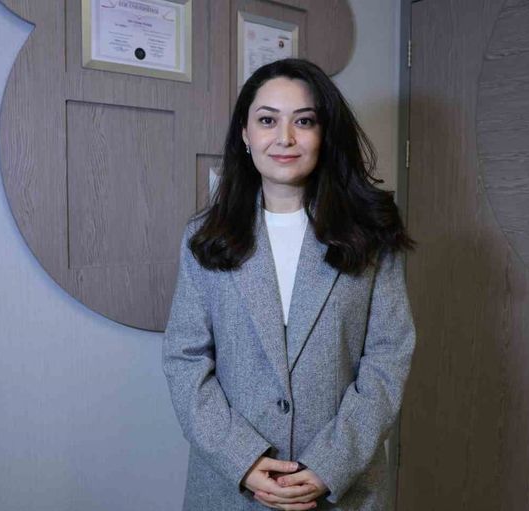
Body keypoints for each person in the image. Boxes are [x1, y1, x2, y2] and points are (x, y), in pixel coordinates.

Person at [162, 58, 416, 510]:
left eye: (303, 121)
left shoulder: (371, 233)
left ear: (324, 133)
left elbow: (388, 357)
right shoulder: (205, 237)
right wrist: (241, 459)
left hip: (342, 489)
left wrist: (330, 464)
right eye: (267, 120)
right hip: (229, 486)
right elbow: (185, 358)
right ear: (245, 134)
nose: (285, 138)